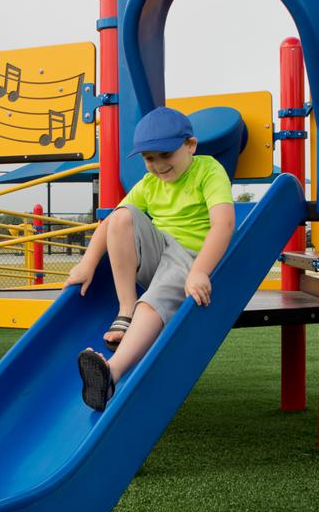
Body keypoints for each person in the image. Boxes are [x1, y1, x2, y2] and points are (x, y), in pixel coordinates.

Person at [65, 107, 235, 411]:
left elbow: (223, 224)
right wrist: (88, 262)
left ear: (190, 146)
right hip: (159, 250)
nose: (158, 165)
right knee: (120, 217)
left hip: (190, 255)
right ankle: (125, 309)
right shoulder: (149, 183)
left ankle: (112, 372)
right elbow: (109, 225)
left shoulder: (208, 171)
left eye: (165, 155)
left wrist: (199, 271)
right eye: (149, 158)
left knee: (154, 301)